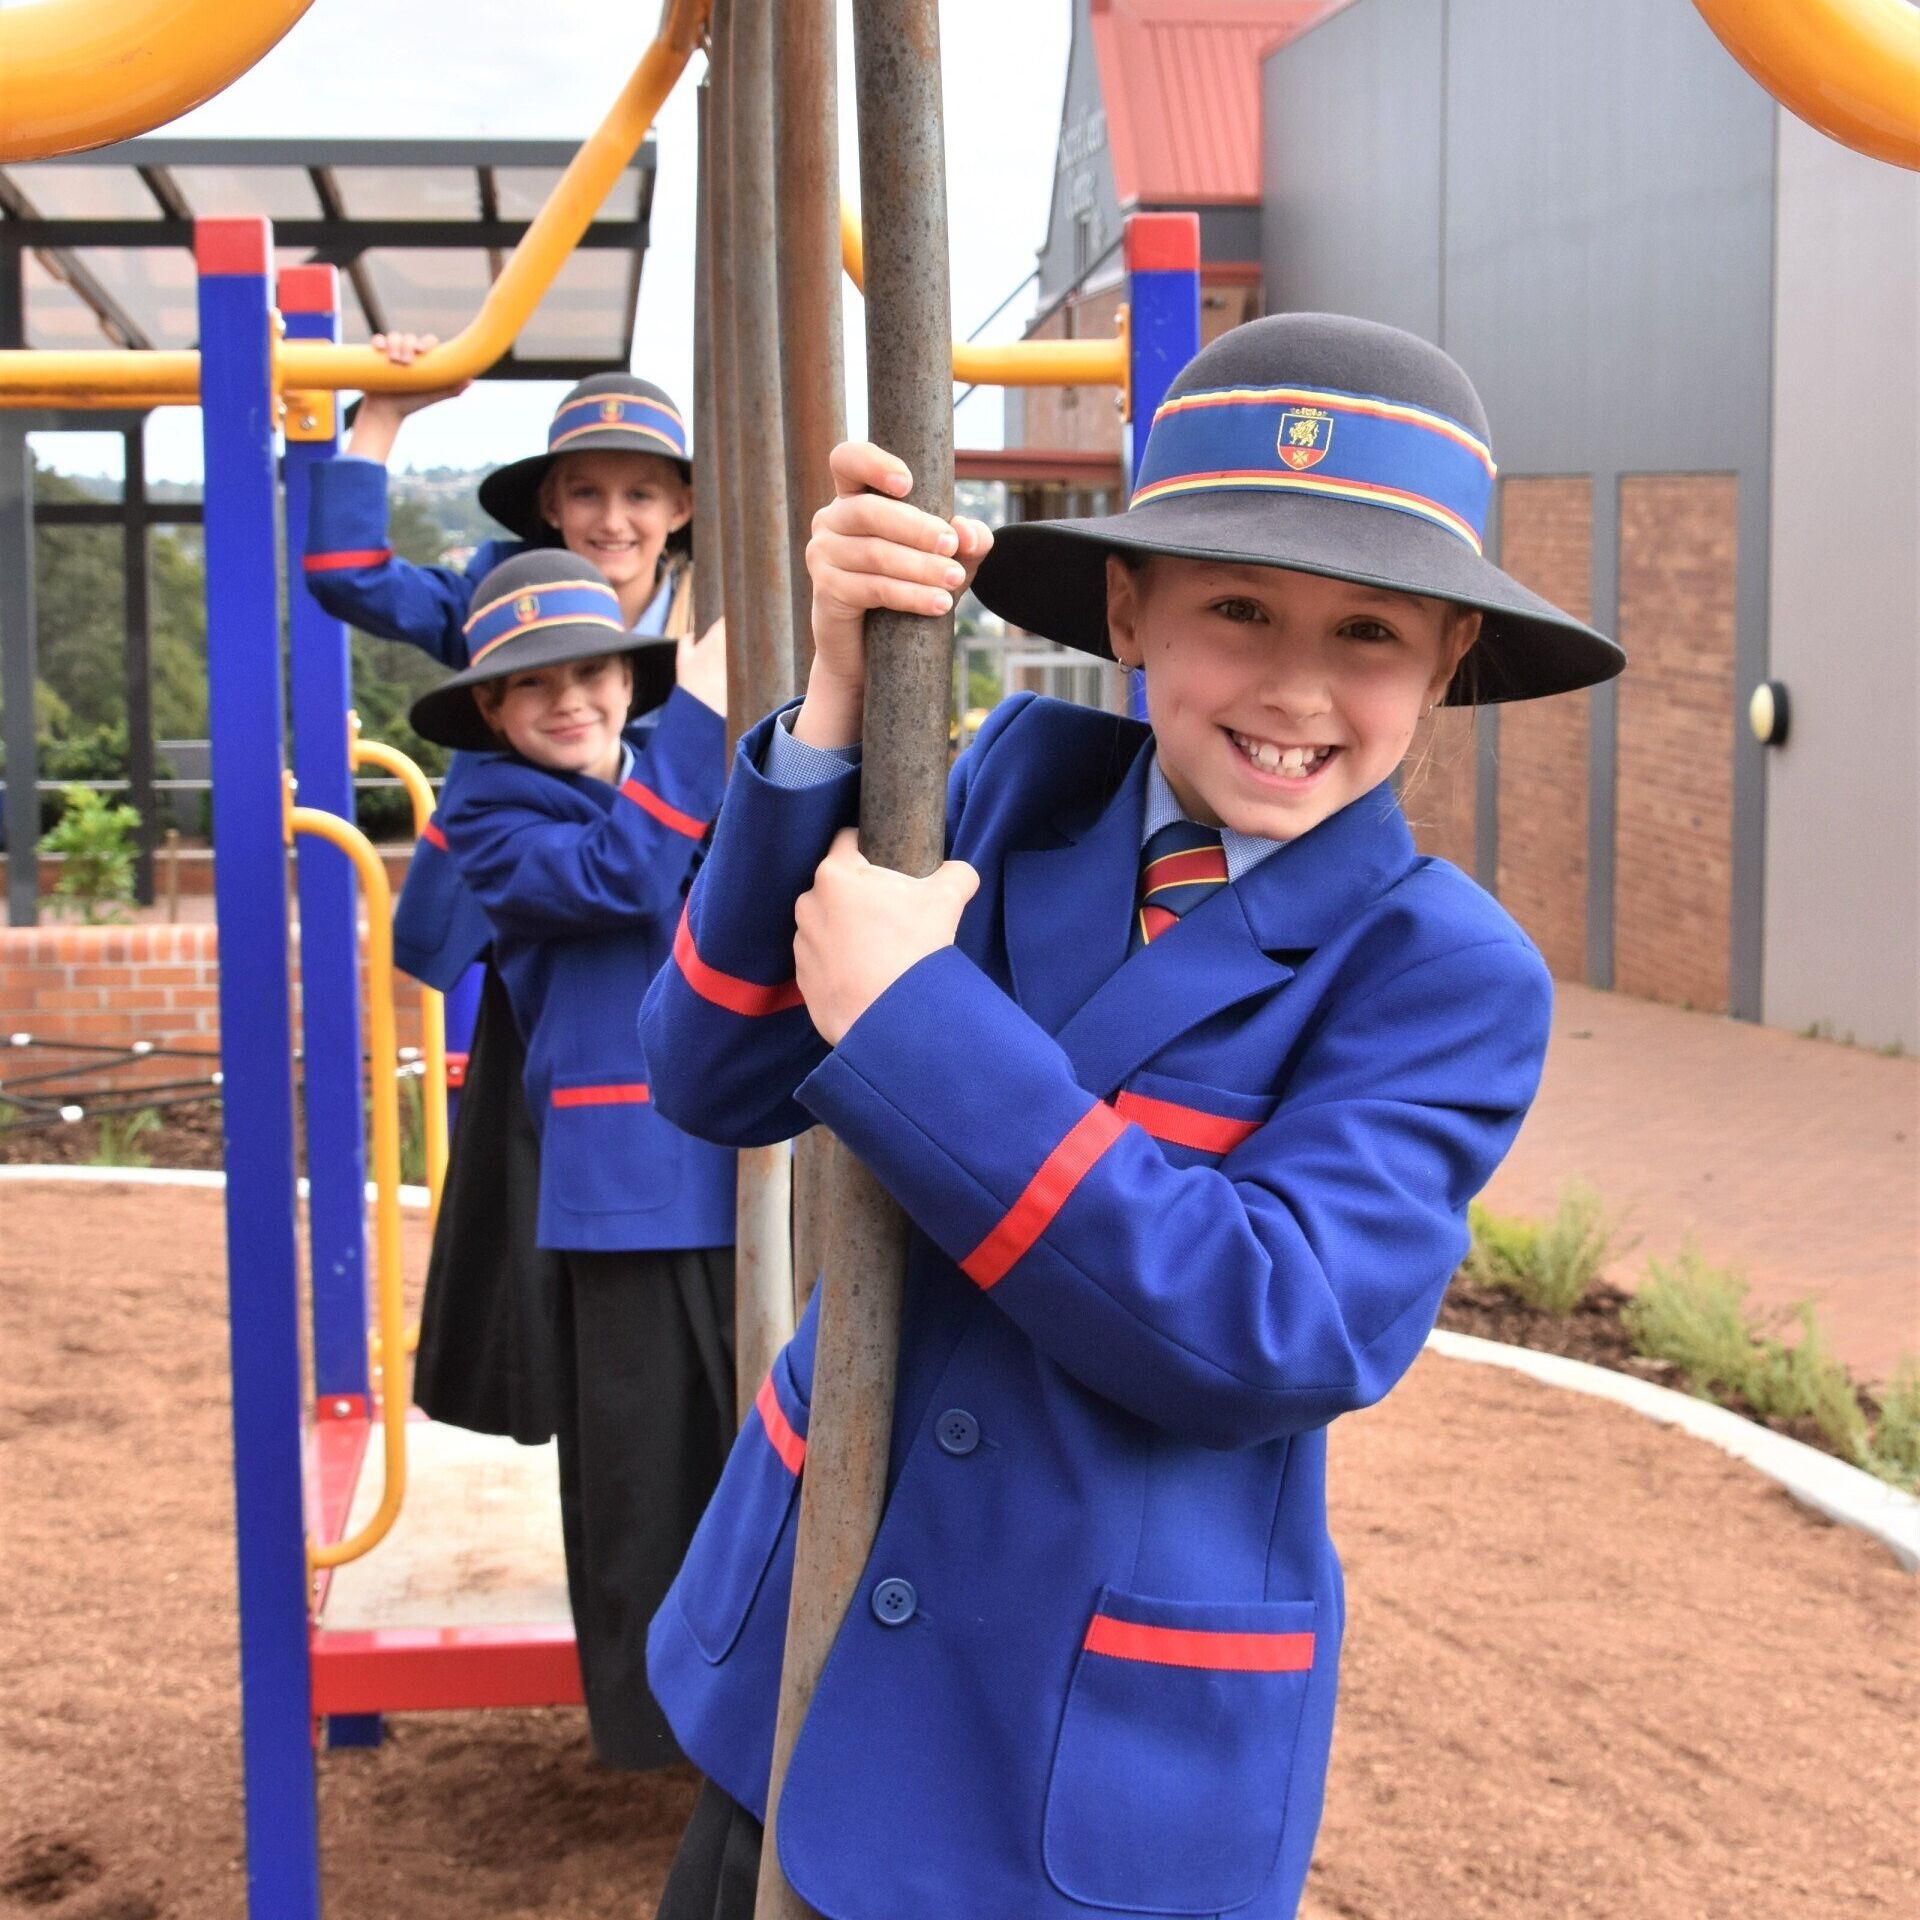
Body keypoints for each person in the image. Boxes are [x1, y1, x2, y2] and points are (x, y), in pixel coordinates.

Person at [637, 313, 1625, 1918]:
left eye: (1370, 632)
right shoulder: (1019, 785)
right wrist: (834, 701)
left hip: (1079, 1756)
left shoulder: (1441, 973)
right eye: (1238, 606)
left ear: (1449, 660)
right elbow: (715, 1073)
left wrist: (919, 1028)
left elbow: (1268, 1325)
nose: (1298, 685)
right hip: (806, 1667)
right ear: (1128, 607)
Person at [301, 338, 702, 1444]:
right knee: (523, 1159)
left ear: (678, 505)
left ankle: (651, 1408)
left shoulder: (711, 618)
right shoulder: (503, 594)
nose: (609, 520)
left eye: (635, 493)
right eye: (583, 492)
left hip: (659, 937)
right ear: (549, 505)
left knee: (661, 1160)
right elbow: (348, 576)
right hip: (536, 922)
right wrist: (384, 411)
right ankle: (538, 1389)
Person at [408, 548, 734, 1769]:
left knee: (751, 1455)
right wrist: (699, 720)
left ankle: (748, 1701)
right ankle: (661, 1739)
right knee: (645, 1481)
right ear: (490, 709)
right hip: (625, 1197)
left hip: (733, 1162)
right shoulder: (492, 818)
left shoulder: (671, 781)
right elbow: (622, 875)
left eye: (592, 671)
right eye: (532, 685)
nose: (569, 700)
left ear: (624, 680)